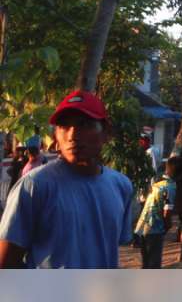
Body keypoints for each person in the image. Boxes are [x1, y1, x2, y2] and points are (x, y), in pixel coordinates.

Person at [0, 90, 134, 268]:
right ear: (55, 135)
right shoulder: (34, 186)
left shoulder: (121, 186)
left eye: (84, 124)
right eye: (64, 126)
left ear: (106, 132)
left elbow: (109, 249)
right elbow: (5, 263)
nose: (72, 136)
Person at [134, 156, 179, 269]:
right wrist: (167, 226)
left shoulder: (158, 184)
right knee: (154, 264)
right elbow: (167, 212)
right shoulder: (171, 187)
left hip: (143, 226)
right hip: (155, 228)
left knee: (146, 263)